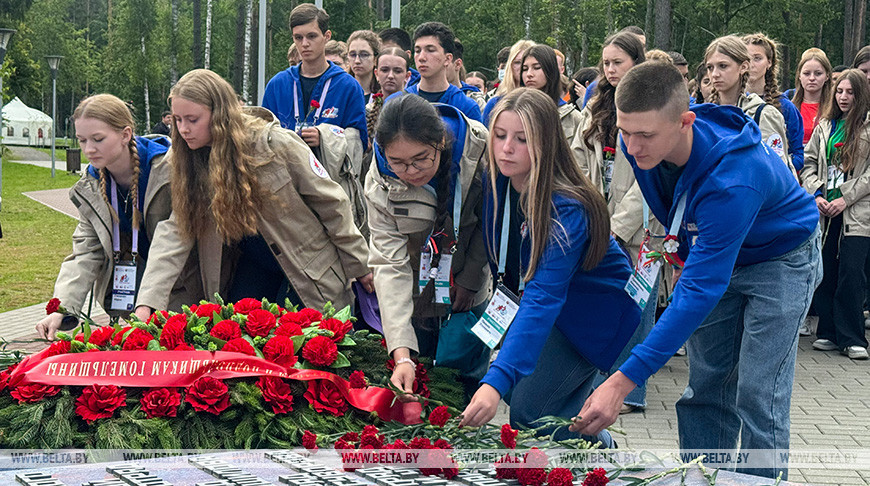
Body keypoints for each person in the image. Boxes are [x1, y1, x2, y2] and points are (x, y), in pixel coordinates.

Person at [573, 62, 822, 480]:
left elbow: (700, 291)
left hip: (781, 258)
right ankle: (704, 477)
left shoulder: (733, 179)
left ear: (685, 121)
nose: (632, 148)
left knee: (759, 390)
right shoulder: (643, 146)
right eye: (625, 131)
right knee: (706, 386)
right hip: (717, 250)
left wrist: (621, 382)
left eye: (645, 135)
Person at [459, 88, 640, 446]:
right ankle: (581, 433)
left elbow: (543, 296)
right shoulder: (499, 181)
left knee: (531, 412)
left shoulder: (566, 208)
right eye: (500, 136)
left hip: (590, 317)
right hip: (545, 306)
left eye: (522, 139)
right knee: (518, 388)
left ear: (546, 143)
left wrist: (496, 382)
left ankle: (603, 449)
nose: (506, 148)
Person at [134, 69, 372, 320]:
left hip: (308, 267)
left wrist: (360, 264)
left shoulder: (275, 144)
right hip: (254, 266)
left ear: (219, 114)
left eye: (192, 119)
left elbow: (332, 204)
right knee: (238, 338)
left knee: (298, 342)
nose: (183, 129)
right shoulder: (188, 161)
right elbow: (175, 229)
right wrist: (147, 302)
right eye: (177, 120)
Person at [36, 94, 198, 340]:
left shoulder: (171, 171)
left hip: (183, 295)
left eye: (98, 139)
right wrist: (61, 308)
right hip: (135, 304)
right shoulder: (89, 186)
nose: (89, 149)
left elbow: (173, 241)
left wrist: (148, 303)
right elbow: (86, 251)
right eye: (82, 140)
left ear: (125, 134)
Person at [366, 94, 491, 399]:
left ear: (441, 142)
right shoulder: (380, 179)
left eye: (421, 159)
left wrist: (471, 277)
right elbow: (389, 264)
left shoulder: (477, 149)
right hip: (415, 291)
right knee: (419, 390)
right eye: (398, 162)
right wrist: (402, 352)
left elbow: (490, 221)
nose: (410, 172)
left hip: (467, 290)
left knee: (463, 386)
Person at [572, 31, 658, 415]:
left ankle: (632, 390)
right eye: (605, 62)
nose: (609, 70)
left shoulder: (653, 106)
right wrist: (591, 214)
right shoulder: (593, 108)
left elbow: (651, 177)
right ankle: (597, 384)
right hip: (596, 213)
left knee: (637, 306)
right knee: (605, 302)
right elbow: (575, 162)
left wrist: (618, 226)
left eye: (617, 62)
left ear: (636, 63)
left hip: (641, 226)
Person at [262, 4, 368, 231]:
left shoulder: (348, 86)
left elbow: (359, 143)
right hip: (285, 194)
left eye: (311, 36)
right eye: (298, 38)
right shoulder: (277, 85)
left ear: (326, 36)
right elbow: (261, 137)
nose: (304, 44)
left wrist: (326, 136)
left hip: (330, 193)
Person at [801, 69, 870, 361]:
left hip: (857, 212)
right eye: (840, 91)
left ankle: (853, 337)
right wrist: (816, 193)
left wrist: (845, 197)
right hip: (825, 211)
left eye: (850, 92)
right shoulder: (825, 126)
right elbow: (808, 163)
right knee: (824, 271)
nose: (843, 97)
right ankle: (828, 331)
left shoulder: (867, 127)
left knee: (852, 273)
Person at [704, 35, 795, 175]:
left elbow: (777, 171)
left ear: (744, 67)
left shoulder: (763, 114)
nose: (715, 74)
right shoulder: (704, 116)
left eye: (723, 66)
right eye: (710, 67)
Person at [386, 22, 482, 123]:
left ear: (448, 59)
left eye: (430, 50)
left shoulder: (466, 106)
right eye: (418, 51)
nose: (421, 58)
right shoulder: (396, 103)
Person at [743, 33, 804, 172]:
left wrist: (781, 168)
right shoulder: (732, 103)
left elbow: (799, 155)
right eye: (746, 58)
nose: (751, 64)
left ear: (769, 63)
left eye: (757, 58)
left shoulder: (785, 107)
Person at [520, 44, 583, 146]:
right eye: (525, 69)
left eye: (537, 67)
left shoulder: (572, 118)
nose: (529, 74)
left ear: (551, 70)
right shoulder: (514, 112)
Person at [366, 47, 411, 148]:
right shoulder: (368, 110)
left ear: (407, 76)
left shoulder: (414, 109)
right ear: (376, 74)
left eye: (397, 71)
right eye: (385, 70)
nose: (390, 76)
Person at [483, 39, 536, 124]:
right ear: (510, 66)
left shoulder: (549, 103)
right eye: (517, 62)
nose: (523, 67)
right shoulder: (495, 104)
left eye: (527, 62)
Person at [791, 48, 833, 146]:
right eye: (806, 73)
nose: (812, 78)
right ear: (799, 76)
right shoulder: (787, 106)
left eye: (818, 73)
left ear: (827, 76)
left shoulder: (835, 107)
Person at [347, 30, 381, 103]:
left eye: (364, 55)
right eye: (352, 55)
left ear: (375, 59)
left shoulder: (384, 93)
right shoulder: (341, 90)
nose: (357, 61)